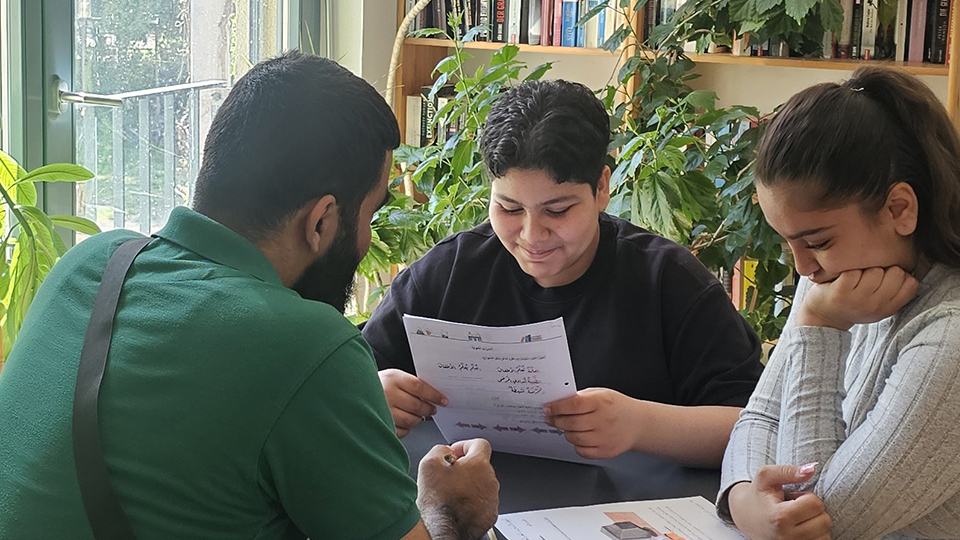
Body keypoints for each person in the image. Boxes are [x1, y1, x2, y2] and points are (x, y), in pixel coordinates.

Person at [0, 52, 498, 540]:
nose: (366, 238)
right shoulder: (307, 346)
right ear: (321, 221)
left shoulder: (93, 260)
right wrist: (445, 507)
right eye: (369, 215)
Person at [362, 80, 764, 467]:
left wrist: (642, 425)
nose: (532, 236)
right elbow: (351, 374)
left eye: (557, 211)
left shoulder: (670, 282)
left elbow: (756, 428)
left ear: (602, 187)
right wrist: (373, 393)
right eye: (509, 208)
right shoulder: (450, 272)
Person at [717, 66, 960, 540]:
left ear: (900, 209)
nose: (803, 267)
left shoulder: (948, 338)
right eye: (788, 242)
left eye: (818, 242)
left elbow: (822, 519)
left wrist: (820, 329)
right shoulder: (834, 282)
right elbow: (762, 416)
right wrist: (745, 501)